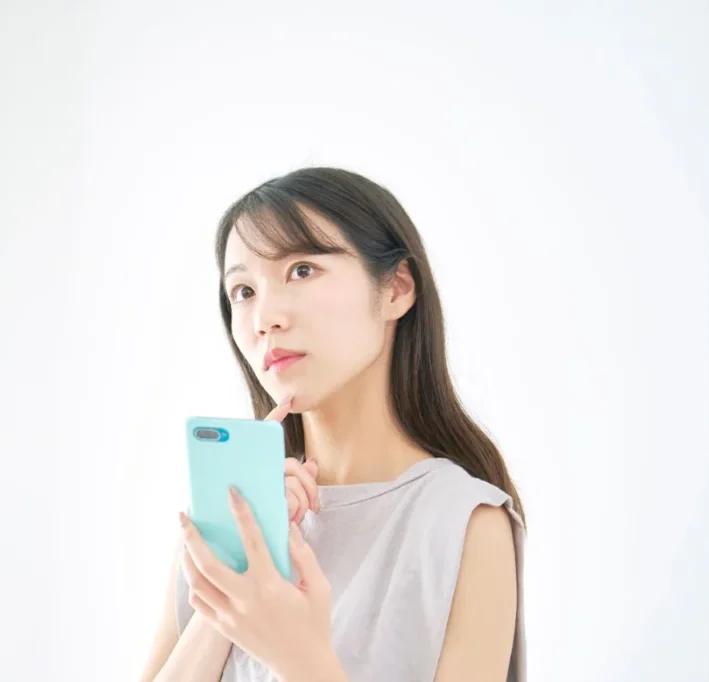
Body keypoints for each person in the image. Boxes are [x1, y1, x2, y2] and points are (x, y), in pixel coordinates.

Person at [139, 167, 526, 682]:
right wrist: (232, 588)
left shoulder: (464, 522)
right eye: (243, 291)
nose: (264, 318)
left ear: (396, 289)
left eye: (302, 270)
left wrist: (299, 657)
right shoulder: (228, 517)